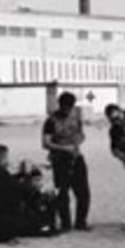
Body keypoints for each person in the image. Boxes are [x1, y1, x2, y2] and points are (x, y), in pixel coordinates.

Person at [0, 144, 54, 244]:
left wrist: (22, 174)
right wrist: (29, 178)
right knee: (30, 226)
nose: (8, 161)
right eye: (6, 158)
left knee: (23, 221)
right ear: (0, 158)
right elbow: (17, 187)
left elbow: (9, 182)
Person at [42, 92, 92, 231]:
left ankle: (81, 222)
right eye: (65, 107)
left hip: (76, 158)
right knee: (62, 193)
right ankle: (66, 223)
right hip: (60, 160)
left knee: (83, 192)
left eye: (70, 107)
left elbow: (81, 134)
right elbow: (46, 143)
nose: (67, 110)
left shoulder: (76, 117)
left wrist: (78, 140)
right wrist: (63, 148)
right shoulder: (51, 121)